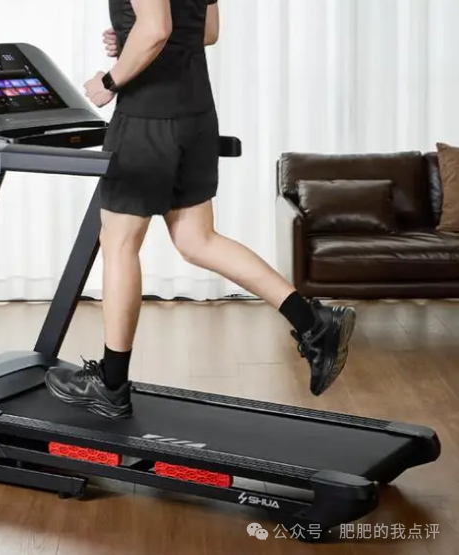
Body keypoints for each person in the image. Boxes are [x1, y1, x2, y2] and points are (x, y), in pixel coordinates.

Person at [45, 0, 356, 419]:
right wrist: (131, 37)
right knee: (197, 239)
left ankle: (111, 384)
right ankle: (314, 323)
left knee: (119, 244)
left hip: (147, 115)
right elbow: (205, 31)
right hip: (195, 112)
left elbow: (156, 29)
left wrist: (110, 80)